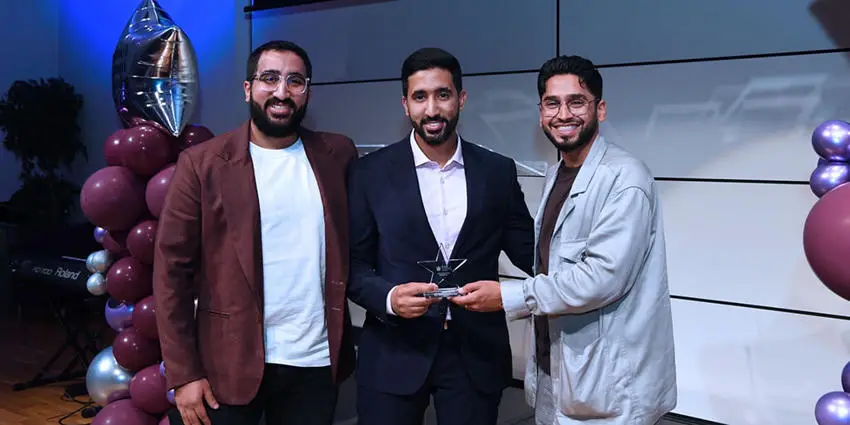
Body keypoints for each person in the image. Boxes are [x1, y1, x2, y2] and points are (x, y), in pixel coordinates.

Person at [451, 55, 677, 425]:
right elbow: (552, 265)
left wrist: (507, 295)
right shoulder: (557, 172)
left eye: (577, 102)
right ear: (540, 112)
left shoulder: (625, 178)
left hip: (609, 386)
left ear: (599, 110)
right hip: (556, 372)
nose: (563, 114)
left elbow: (601, 279)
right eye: (552, 103)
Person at [153, 40, 358, 425]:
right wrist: (183, 373)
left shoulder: (338, 155)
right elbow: (171, 274)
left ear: (307, 91)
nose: (282, 92)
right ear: (248, 88)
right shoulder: (202, 165)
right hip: (224, 364)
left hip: (314, 362)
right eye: (269, 78)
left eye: (295, 81)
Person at [346, 47, 535, 425]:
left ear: (461, 99)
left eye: (442, 95)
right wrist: (388, 297)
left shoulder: (498, 172)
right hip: (393, 351)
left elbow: (531, 252)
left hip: (474, 355)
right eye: (420, 97)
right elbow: (351, 264)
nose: (432, 109)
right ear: (405, 105)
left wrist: (588, 267)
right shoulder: (369, 174)